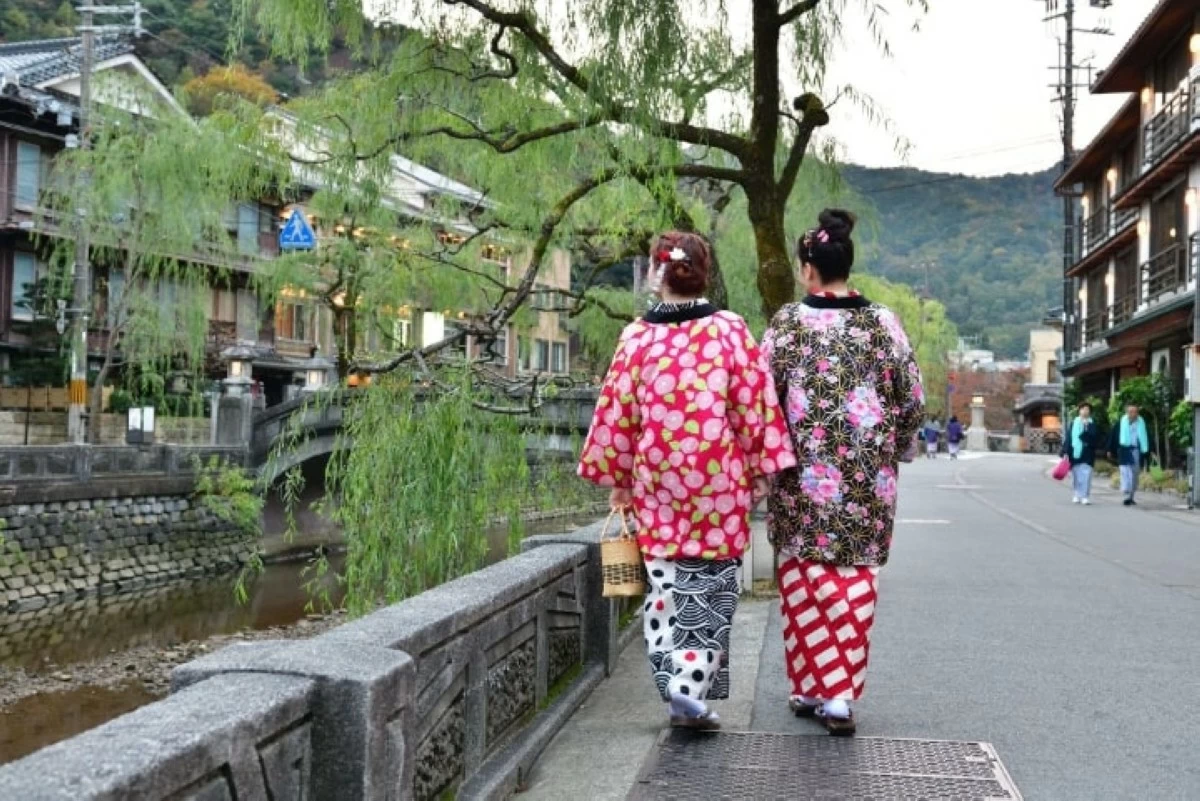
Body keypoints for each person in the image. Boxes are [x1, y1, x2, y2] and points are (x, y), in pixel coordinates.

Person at [578, 230, 796, 731]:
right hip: (718, 479)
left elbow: (618, 413)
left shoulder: (637, 337)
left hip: (656, 478)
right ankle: (689, 684)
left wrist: (620, 478)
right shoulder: (729, 330)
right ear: (704, 273)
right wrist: (761, 466)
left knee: (664, 585)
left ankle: (677, 684)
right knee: (713, 583)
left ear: (657, 275)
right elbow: (753, 405)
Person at [763, 209, 925, 736]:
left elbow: (763, 400)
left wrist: (766, 460)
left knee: (803, 578)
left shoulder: (788, 323)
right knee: (854, 582)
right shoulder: (882, 323)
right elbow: (911, 398)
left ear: (808, 268)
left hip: (801, 477)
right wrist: (896, 448)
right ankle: (837, 696)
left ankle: (810, 686)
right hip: (865, 480)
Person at [1109, 403, 1149, 506]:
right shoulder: (1121, 423)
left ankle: (1131, 497)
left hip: (1136, 451)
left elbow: (1147, 437)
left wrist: (1148, 450)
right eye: (1130, 412)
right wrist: (1109, 449)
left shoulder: (1141, 423)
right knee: (1125, 471)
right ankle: (1126, 493)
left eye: (1135, 412)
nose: (1133, 414)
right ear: (1127, 412)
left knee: (1134, 474)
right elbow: (1113, 436)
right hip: (1124, 449)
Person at [1063, 402, 1097, 505]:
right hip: (1075, 452)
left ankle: (1085, 496)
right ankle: (1077, 494)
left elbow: (1094, 439)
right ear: (1079, 411)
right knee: (1076, 475)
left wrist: (1086, 428)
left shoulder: (1092, 424)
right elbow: (1069, 438)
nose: (1085, 411)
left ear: (1090, 412)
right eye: (1083, 409)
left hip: (1087, 452)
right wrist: (1066, 452)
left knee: (1086, 475)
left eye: (1087, 409)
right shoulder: (1074, 423)